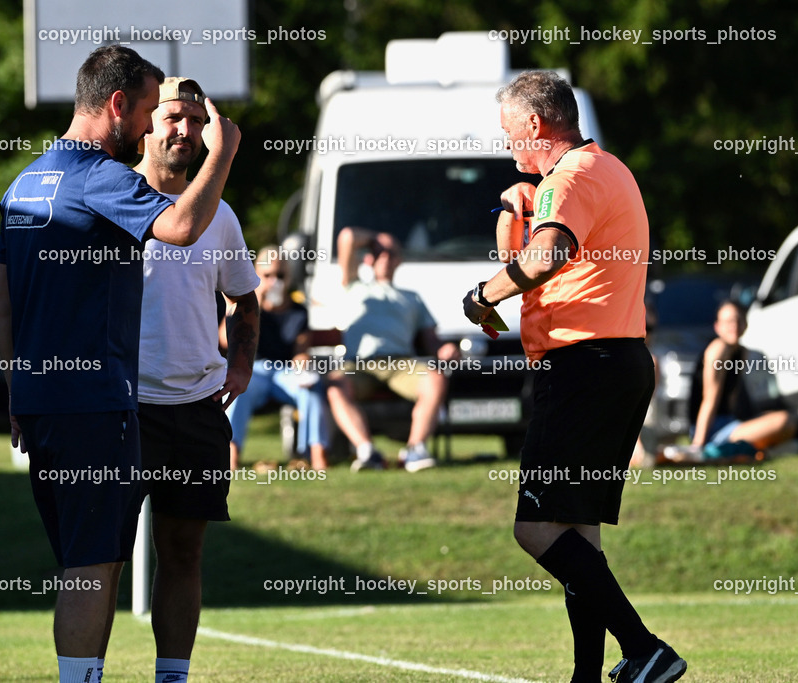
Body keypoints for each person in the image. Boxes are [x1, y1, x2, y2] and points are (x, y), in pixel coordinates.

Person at [0, 47, 240, 683]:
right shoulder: (101, 176)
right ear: (117, 105)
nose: (154, 125)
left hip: (44, 404)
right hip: (97, 403)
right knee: (94, 563)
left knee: (80, 557)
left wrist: (19, 387)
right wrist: (223, 152)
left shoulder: (26, 181)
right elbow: (181, 227)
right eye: (150, 110)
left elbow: (0, 296)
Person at [462, 70, 686, 683]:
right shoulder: (606, 168)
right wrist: (519, 215)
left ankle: (645, 648)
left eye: (509, 131)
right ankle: (588, 675)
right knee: (575, 534)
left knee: (535, 527)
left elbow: (547, 254)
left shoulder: (572, 176)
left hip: (584, 365)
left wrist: (482, 295)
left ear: (535, 123)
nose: (507, 144)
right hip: (618, 363)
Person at [133, 76, 259, 683]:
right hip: (122, 408)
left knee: (183, 553)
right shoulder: (112, 195)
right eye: (170, 118)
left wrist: (240, 364)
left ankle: (172, 676)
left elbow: (246, 300)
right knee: (100, 558)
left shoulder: (220, 213)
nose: (183, 130)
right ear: (141, 123)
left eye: (192, 119)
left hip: (195, 410)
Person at [326, 227, 461, 472]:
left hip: (401, 365)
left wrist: (444, 348)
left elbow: (430, 339)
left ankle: (415, 450)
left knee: (436, 379)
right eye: (378, 252)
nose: (385, 257)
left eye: (391, 253)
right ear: (368, 258)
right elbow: (347, 237)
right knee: (335, 385)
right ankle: (367, 451)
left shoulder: (412, 297)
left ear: (400, 259)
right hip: (359, 365)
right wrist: (378, 240)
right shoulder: (352, 285)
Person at [225, 246, 330, 471]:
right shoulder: (245, 305)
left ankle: (316, 454)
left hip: (285, 372)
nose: (274, 281)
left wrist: (302, 364)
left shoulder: (298, 311)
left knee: (312, 388)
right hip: (253, 371)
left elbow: (301, 350)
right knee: (237, 387)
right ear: (256, 275)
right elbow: (225, 341)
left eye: (280, 275)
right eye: (268, 275)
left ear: (289, 277)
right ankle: (232, 454)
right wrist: (255, 304)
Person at [688, 300, 798, 454]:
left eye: (738, 320)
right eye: (728, 321)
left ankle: (746, 449)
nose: (734, 325)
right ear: (717, 327)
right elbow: (710, 399)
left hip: (730, 422)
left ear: (745, 324)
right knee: (783, 421)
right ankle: (716, 449)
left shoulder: (742, 352)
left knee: (785, 420)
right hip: (711, 428)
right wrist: (698, 445)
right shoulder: (719, 349)